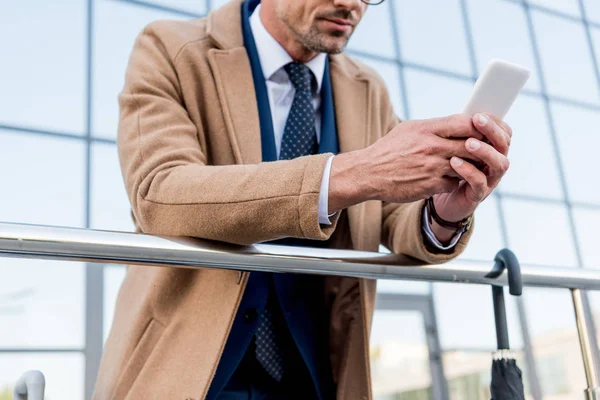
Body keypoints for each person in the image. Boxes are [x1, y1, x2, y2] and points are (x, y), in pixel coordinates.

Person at [93, 0, 513, 398]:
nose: (353, 5)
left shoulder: (368, 88)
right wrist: (357, 172)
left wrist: (442, 211)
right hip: (189, 370)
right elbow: (160, 193)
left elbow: (390, 214)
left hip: (315, 376)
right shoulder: (170, 47)